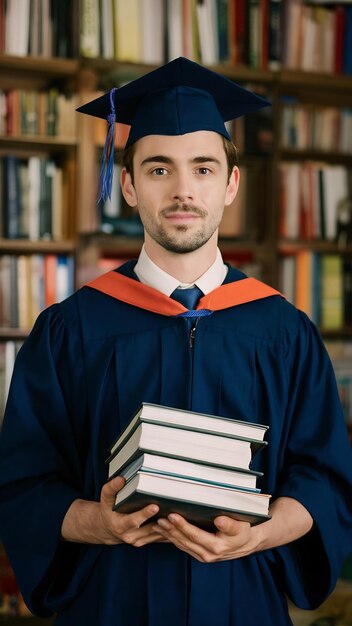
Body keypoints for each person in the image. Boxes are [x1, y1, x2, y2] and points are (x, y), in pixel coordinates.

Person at [0, 57, 352, 626]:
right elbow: (22, 486)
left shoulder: (284, 332)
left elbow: (324, 480)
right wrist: (100, 521)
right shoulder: (71, 330)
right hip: (110, 604)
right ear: (131, 186)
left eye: (204, 169)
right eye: (160, 169)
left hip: (242, 605)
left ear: (231, 184)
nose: (184, 190)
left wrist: (256, 536)